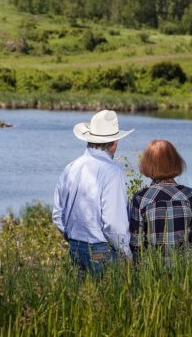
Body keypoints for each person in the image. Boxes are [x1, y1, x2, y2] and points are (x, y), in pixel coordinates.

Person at [52, 110, 134, 276]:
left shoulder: (71, 167)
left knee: (82, 299)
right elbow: (113, 223)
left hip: (75, 247)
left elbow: (57, 215)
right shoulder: (112, 172)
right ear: (115, 143)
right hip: (102, 249)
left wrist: (73, 239)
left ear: (89, 140)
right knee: (107, 299)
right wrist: (127, 253)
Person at [129, 140, 192, 264]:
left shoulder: (141, 198)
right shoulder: (189, 195)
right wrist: (184, 250)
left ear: (147, 164)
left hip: (150, 273)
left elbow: (135, 244)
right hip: (183, 270)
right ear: (175, 162)